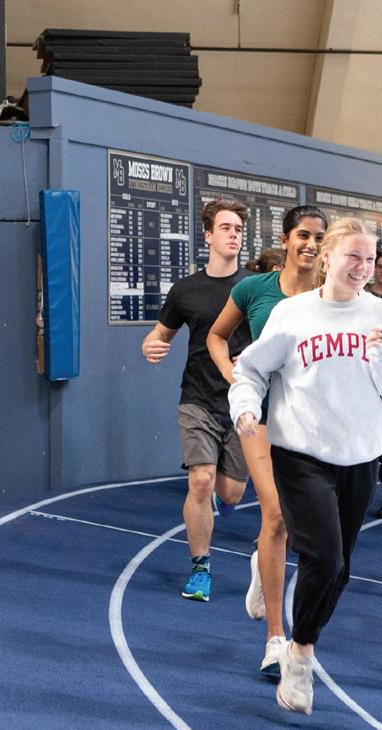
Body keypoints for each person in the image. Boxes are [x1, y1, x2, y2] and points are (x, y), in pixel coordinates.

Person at [229, 217, 382, 715]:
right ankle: (300, 655)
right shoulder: (293, 314)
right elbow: (250, 368)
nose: (362, 267)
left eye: (369, 258)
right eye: (353, 256)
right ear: (328, 257)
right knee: (327, 559)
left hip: (360, 457)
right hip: (300, 455)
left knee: (341, 571)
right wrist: (245, 407)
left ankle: (301, 644)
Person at [207, 205, 327, 675]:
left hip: (309, 420)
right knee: (275, 514)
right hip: (260, 417)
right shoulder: (254, 289)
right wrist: (233, 377)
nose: (311, 244)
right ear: (285, 239)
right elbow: (217, 337)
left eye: (319, 237)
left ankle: (263, 563)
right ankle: (276, 637)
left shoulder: (332, 294)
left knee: (301, 526)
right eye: (303, 235)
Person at [141, 198, 251, 604]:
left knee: (232, 493)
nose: (233, 235)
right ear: (208, 235)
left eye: (238, 229)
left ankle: (225, 498)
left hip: (242, 402)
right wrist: (150, 346)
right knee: (200, 480)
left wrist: (251, 356)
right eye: (226, 228)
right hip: (198, 398)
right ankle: (201, 567)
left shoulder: (254, 287)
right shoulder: (185, 290)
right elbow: (159, 335)